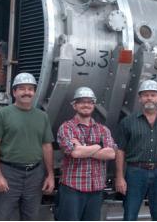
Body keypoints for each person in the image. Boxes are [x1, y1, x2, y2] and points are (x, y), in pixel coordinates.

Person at [0, 72, 55, 220]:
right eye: (22, 88)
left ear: (34, 92)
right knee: (0, 216)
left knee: (31, 217)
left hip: (35, 175)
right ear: (14, 92)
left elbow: (47, 147)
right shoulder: (2, 115)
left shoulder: (42, 116)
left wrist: (50, 175)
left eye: (30, 89)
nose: (26, 92)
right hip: (9, 173)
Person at [115, 79, 157, 221]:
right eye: (145, 95)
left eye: (153, 95)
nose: (149, 98)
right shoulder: (128, 122)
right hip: (135, 172)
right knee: (130, 213)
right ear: (140, 99)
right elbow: (120, 150)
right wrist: (120, 177)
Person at [55, 87, 117, 220]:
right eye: (82, 102)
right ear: (74, 105)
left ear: (93, 105)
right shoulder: (66, 127)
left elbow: (111, 154)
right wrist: (99, 146)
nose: (86, 105)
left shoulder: (103, 129)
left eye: (90, 102)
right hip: (73, 188)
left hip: (96, 189)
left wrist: (84, 148)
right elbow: (75, 153)